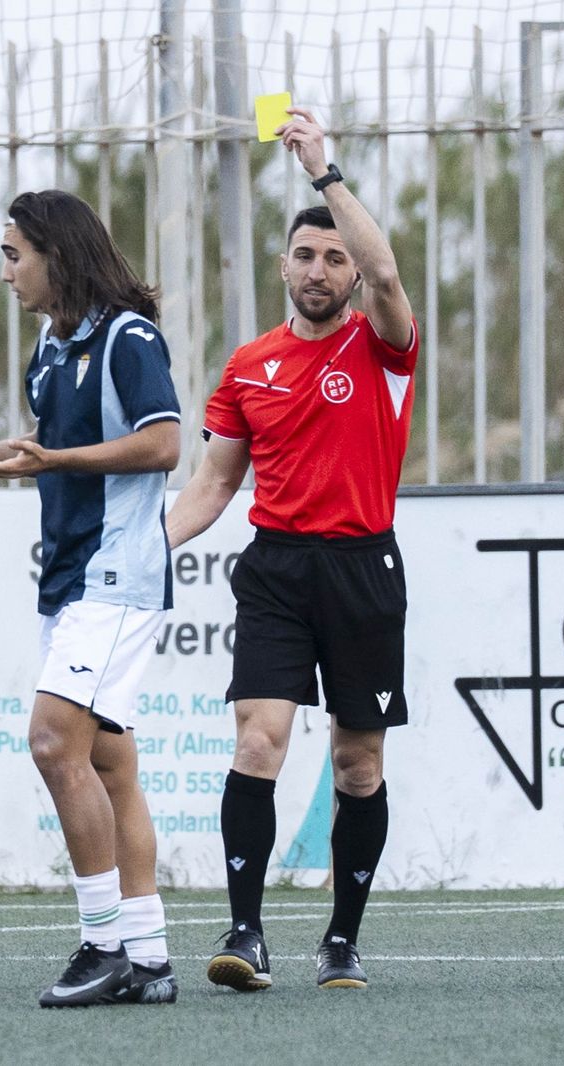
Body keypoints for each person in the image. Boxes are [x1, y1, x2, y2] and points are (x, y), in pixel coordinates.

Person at [0, 189, 181, 1007]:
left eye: (15, 253)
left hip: (116, 577)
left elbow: (162, 444)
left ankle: (102, 945)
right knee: (110, 763)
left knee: (54, 745)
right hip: (69, 580)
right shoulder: (49, 353)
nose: (6, 270)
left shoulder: (127, 336)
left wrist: (55, 460)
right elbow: (43, 456)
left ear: (58, 254)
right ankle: (149, 957)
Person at [164, 106, 419, 991]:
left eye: (334, 257)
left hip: (362, 568)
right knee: (258, 744)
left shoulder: (384, 346)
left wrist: (323, 171)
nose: (320, 269)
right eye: (305, 255)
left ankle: (342, 940)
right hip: (274, 569)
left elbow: (389, 270)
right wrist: (143, 548)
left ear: (351, 272)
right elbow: (210, 486)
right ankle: (246, 932)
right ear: (284, 267)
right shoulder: (247, 366)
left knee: (358, 761)